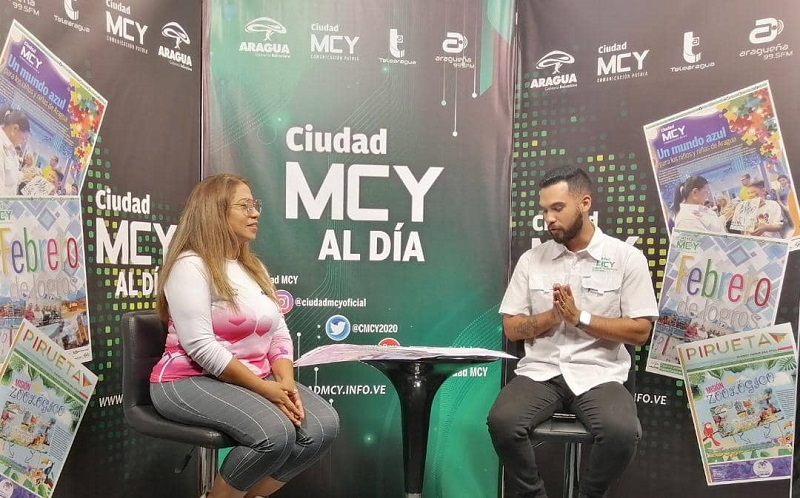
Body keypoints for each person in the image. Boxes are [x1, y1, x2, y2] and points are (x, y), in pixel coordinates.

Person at [150, 174, 339, 498]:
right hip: (186, 380)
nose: (255, 213)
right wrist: (266, 390)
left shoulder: (253, 268)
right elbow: (200, 347)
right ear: (215, 211)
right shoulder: (189, 266)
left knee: (322, 426)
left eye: (255, 205)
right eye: (245, 206)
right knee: (275, 433)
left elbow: (279, 333)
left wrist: (286, 384)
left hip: (256, 376)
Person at [487, 166, 658, 498]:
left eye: (557, 208)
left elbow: (640, 332)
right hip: (541, 373)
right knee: (503, 422)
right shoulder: (531, 260)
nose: (548, 219)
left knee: (622, 433)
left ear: (584, 203)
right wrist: (553, 316)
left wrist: (580, 318)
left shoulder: (626, 259)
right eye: (544, 210)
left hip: (599, 374)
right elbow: (511, 327)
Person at [0, 108, 30, 196]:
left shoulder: (10, 148)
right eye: (23, 138)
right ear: (15, 128)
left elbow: (10, 177)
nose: (22, 142)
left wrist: (24, 176)